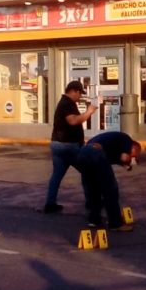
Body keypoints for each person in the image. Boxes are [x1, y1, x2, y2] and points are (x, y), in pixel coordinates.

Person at [43, 80, 97, 214]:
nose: (80, 97)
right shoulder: (67, 103)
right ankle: (92, 203)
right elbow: (72, 121)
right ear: (73, 91)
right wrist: (89, 112)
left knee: (56, 175)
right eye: (79, 93)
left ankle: (50, 204)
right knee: (88, 171)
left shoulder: (64, 102)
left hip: (58, 144)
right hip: (68, 146)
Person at [74, 131, 141, 231]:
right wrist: (129, 161)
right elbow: (124, 157)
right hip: (95, 153)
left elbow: (111, 158)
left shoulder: (114, 142)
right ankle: (115, 223)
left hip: (82, 154)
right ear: (133, 147)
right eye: (135, 155)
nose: (134, 157)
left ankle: (94, 220)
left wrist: (124, 165)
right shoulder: (127, 140)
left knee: (93, 189)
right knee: (110, 189)